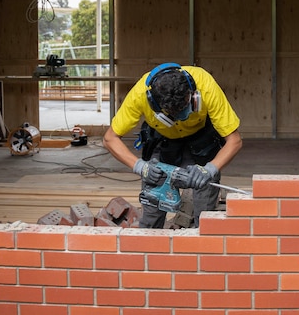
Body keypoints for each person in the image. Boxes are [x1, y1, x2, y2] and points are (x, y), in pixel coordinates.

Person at [103, 63, 242, 228]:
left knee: (205, 215)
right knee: (152, 209)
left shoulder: (205, 85)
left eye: (185, 107)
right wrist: (141, 167)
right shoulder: (139, 95)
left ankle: (201, 246)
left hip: (202, 141)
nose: (182, 117)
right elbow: (110, 138)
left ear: (192, 94)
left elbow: (235, 140)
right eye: (173, 114)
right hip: (163, 141)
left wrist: (209, 170)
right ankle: (150, 245)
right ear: (154, 104)